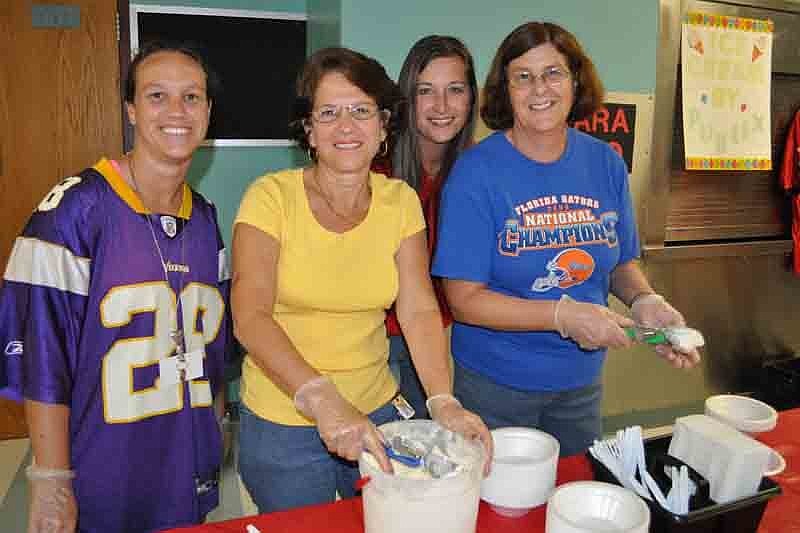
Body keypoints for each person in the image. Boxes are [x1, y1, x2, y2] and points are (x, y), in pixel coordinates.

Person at [231, 46, 492, 514]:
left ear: (384, 124)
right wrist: (321, 398)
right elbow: (250, 317)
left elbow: (417, 309)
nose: (346, 127)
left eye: (360, 111)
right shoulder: (270, 198)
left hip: (377, 412)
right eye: (328, 113)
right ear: (308, 129)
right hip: (282, 421)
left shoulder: (399, 201)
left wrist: (442, 399)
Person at [431, 22, 701, 457]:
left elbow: (618, 262)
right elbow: (463, 299)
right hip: (495, 388)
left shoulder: (604, 163)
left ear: (575, 80)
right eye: (523, 76)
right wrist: (562, 316)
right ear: (506, 89)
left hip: (581, 385)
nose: (540, 89)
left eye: (553, 73)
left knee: (571, 503)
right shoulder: (475, 174)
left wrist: (645, 301)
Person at [0, 40, 233, 532]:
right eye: (156, 96)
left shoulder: (206, 220)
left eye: (192, 97)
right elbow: (44, 355)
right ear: (130, 108)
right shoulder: (75, 210)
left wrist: (217, 422)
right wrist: (50, 477)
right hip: (104, 467)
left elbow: (211, 346)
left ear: (209, 111)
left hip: (183, 458)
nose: (177, 111)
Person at [375, 35, 478, 419]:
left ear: (471, 98)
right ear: (407, 98)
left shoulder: (473, 172)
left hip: (429, 339)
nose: (441, 106)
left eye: (455, 89)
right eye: (425, 91)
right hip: (370, 341)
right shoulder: (375, 170)